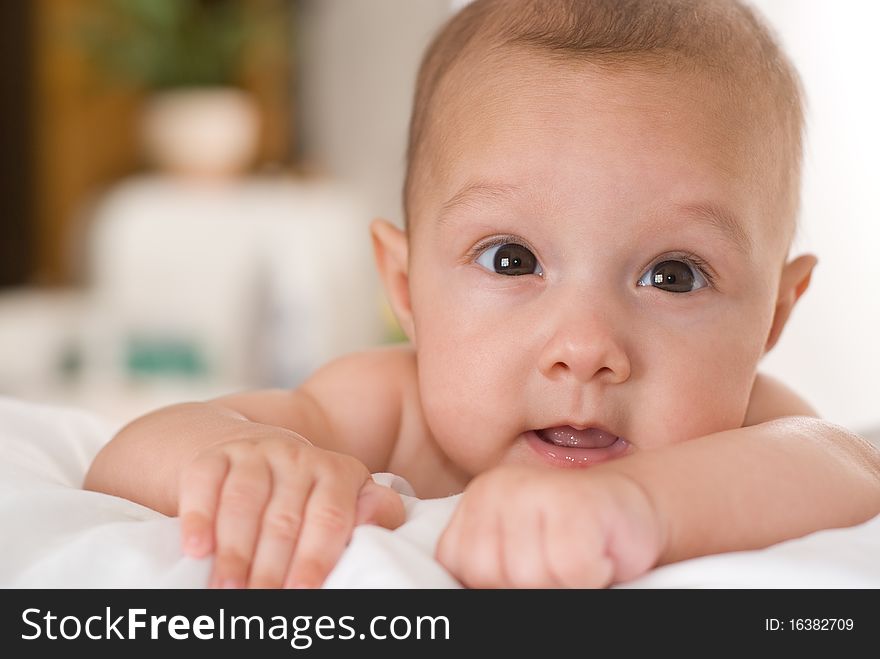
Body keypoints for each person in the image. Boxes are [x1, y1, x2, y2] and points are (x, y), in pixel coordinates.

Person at [85, 0, 880, 589]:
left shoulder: (740, 432)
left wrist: (643, 505)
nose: (585, 347)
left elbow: (845, 466)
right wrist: (250, 462)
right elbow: (128, 453)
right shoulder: (390, 410)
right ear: (405, 287)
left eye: (673, 275)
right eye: (511, 259)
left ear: (774, 314)